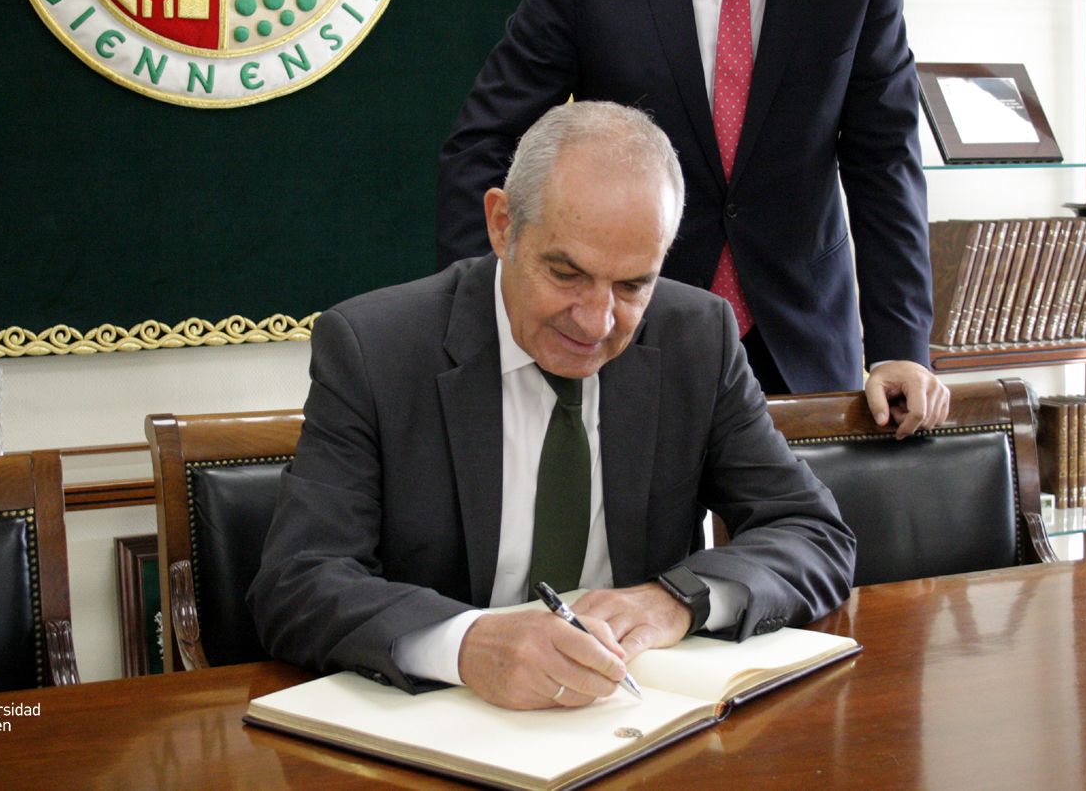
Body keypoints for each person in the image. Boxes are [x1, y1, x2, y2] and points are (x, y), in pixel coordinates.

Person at [249, 101, 855, 710]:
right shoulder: (375, 349)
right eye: (566, 274)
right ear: (501, 224)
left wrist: (674, 598)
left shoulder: (696, 337)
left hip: (634, 718)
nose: (597, 322)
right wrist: (467, 643)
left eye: (632, 285)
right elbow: (298, 579)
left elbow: (812, 532)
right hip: (442, 722)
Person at [435, 0, 949, 436]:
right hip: (622, 331)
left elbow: (884, 161)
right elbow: (483, 145)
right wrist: (486, 325)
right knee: (631, 544)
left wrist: (898, 346)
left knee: (797, 542)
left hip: (800, 341)